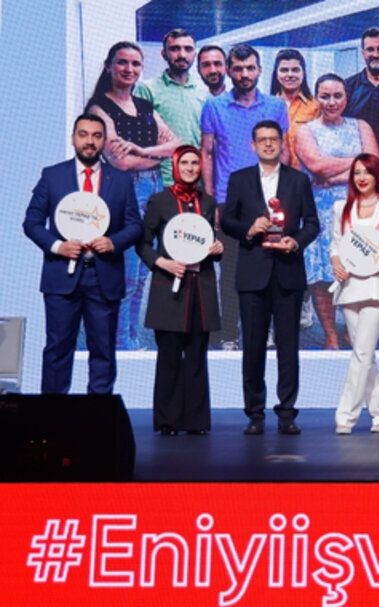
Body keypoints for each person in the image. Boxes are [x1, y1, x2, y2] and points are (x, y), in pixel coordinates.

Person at [23, 114, 143, 394]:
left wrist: (113, 242)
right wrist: (58, 246)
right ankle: (51, 416)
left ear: (104, 141)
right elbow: (32, 223)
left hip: (104, 278)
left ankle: (98, 415)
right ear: (73, 138)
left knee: (103, 351)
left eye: (97, 136)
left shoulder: (120, 180)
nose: (90, 141)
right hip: (61, 277)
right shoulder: (52, 176)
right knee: (57, 350)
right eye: (84, 134)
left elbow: (135, 226)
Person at [220, 121, 319, 435]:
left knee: (288, 349)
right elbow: (228, 221)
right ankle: (255, 414)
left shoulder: (298, 180)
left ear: (282, 143)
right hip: (253, 273)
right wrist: (249, 229)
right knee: (253, 348)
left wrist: (296, 241)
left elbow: (312, 224)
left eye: (273, 139)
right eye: (262, 140)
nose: (268, 144)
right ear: (253, 145)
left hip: (288, 272)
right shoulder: (239, 179)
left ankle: (287, 413)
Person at [86, 41, 181, 351]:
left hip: (153, 189)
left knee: (141, 274)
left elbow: (177, 146)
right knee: (125, 276)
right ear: (109, 66)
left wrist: (141, 150)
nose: (129, 69)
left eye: (135, 64)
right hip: (124, 192)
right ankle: (119, 347)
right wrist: (156, 155)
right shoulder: (99, 109)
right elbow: (120, 162)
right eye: (122, 63)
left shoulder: (144, 106)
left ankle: (130, 341)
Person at [201, 43, 290, 350]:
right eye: (238, 68)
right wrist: (211, 201)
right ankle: (229, 333)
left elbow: (283, 151)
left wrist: (284, 196)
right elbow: (207, 154)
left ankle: (264, 330)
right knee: (230, 272)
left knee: (269, 267)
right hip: (229, 201)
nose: (244, 74)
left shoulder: (276, 107)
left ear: (260, 70)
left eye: (250, 68)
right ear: (228, 71)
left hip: (269, 199)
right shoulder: (214, 107)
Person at [136, 145, 223, 436]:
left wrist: (218, 249)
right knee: (169, 357)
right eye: (184, 162)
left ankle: (197, 421)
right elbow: (142, 243)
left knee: (197, 357)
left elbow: (210, 241)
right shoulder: (160, 201)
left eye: (194, 163)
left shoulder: (208, 202)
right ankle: (168, 421)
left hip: (201, 289)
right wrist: (162, 262)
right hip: (169, 289)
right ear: (175, 166)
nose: (189, 168)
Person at [294, 74, 379, 349]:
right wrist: (358, 164)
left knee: (359, 271)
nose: (332, 102)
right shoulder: (306, 131)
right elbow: (316, 166)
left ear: (346, 98)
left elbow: (375, 165)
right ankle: (330, 334)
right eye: (325, 96)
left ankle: (352, 330)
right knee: (322, 275)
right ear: (316, 98)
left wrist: (334, 177)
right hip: (320, 210)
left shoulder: (361, 126)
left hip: (359, 209)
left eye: (337, 96)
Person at [329, 153, 379, 433]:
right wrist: (336, 263)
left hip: (377, 285)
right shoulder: (341, 208)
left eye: (367, 172)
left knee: (361, 350)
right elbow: (336, 245)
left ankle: (345, 415)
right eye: (357, 172)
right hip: (349, 285)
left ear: (376, 176)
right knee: (365, 353)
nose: (361, 177)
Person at [136, 28, 208, 187]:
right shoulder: (147, 89)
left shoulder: (204, 92)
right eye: (175, 49)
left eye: (188, 49)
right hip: (160, 181)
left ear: (194, 54)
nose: (182, 54)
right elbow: (139, 137)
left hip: (196, 181)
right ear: (164, 54)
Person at [271, 49, 320, 169]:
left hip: (307, 175)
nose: (290, 75)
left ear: (303, 73)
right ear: (276, 74)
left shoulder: (315, 106)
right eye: (284, 70)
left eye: (295, 70)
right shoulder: (267, 107)